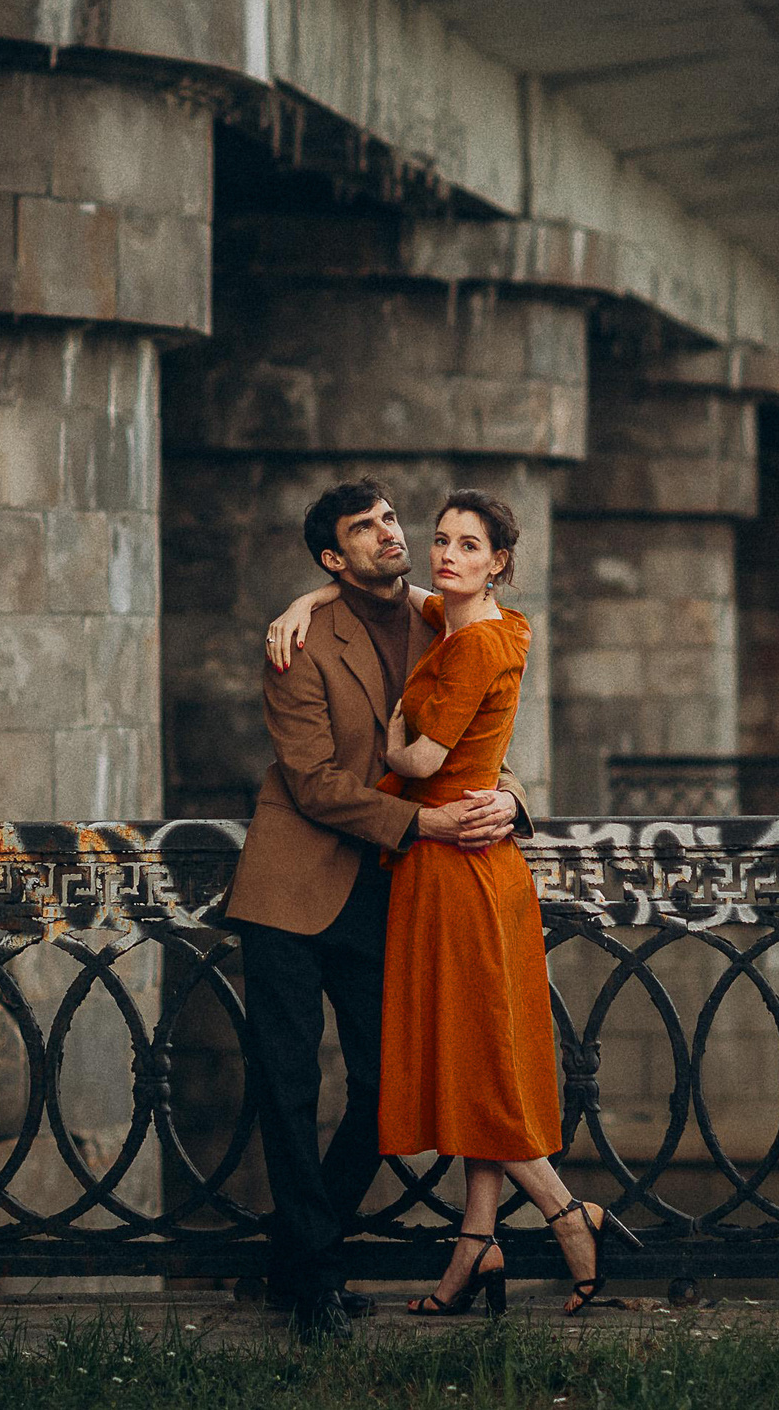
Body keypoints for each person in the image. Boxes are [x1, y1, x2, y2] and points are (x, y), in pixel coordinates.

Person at [267, 490, 637, 1320]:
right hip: (359, 872)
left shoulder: (455, 632)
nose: (425, 547)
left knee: (433, 1071)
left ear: (496, 559)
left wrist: (495, 790)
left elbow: (452, 750)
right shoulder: (331, 635)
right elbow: (319, 773)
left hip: (426, 871)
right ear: (335, 558)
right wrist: (308, 599)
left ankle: (532, 1220)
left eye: (460, 543)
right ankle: (401, 1257)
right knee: (384, 1074)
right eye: (433, 537)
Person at [220, 480, 527, 1343]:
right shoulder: (299, 642)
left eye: (394, 519)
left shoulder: (442, 618)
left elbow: (481, 731)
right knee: (288, 1090)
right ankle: (315, 1281)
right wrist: (425, 821)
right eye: (367, 528)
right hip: (292, 884)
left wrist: (512, 799)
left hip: (386, 890)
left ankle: (296, 1254)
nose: (392, 534)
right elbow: (314, 783)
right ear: (332, 557)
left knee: (384, 1088)